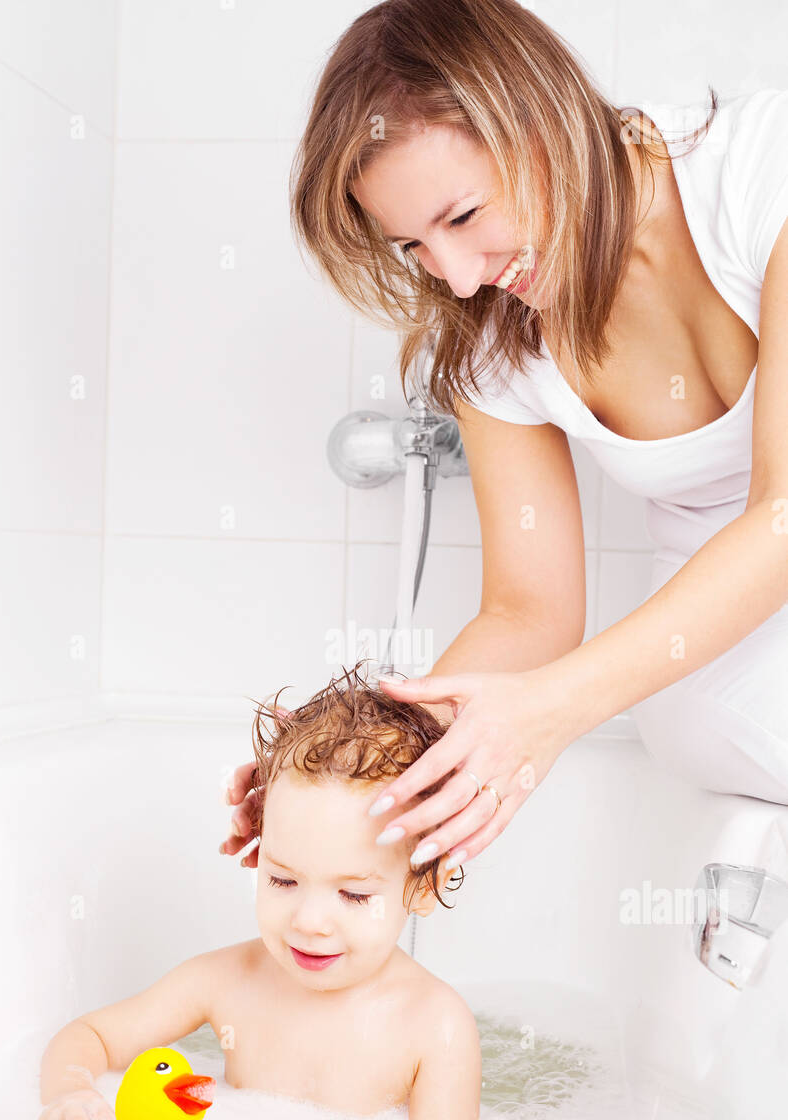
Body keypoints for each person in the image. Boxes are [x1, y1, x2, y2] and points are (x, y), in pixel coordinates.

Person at [223, 0, 788, 875]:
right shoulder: (490, 340)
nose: (455, 276)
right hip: (711, 653)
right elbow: (529, 611)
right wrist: (359, 768)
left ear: (542, 120)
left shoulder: (762, 170)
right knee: (686, 715)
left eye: (462, 216)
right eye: (412, 246)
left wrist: (555, 710)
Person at [38, 667, 482, 1120]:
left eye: (352, 893)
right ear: (257, 844)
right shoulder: (227, 980)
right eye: (282, 880)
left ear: (424, 886)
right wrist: (70, 1095)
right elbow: (89, 1037)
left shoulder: (434, 1025)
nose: (310, 921)